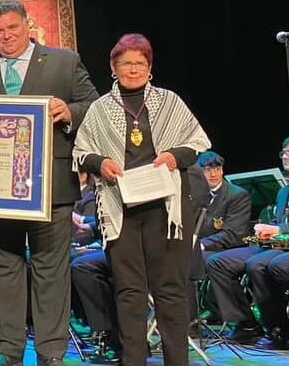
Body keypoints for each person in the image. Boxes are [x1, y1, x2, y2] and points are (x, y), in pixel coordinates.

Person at [0, 0, 98, 366]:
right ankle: (9, 352)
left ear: (27, 25)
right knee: (2, 268)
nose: (6, 37)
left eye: (12, 29)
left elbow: (94, 105)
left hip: (51, 185)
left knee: (51, 270)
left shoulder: (64, 61)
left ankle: (51, 352)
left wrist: (70, 111)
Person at [74, 33, 211, 366]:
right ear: (113, 67)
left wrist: (173, 156)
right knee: (129, 292)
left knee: (170, 292)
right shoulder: (100, 109)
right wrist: (100, 164)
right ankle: (133, 360)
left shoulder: (169, 101)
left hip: (166, 210)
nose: (132, 69)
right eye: (125, 63)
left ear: (150, 67)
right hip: (121, 210)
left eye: (139, 63)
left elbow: (196, 143)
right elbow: (81, 152)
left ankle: (177, 361)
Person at [206, 135, 289, 347]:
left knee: (258, 265)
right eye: (283, 152)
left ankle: (278, 328)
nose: (284, 156)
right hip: (277, 245)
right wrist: (268, 232)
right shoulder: (285, 190)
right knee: (217, 262)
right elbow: (279, 221)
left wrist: (277, 229)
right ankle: (246, 324)